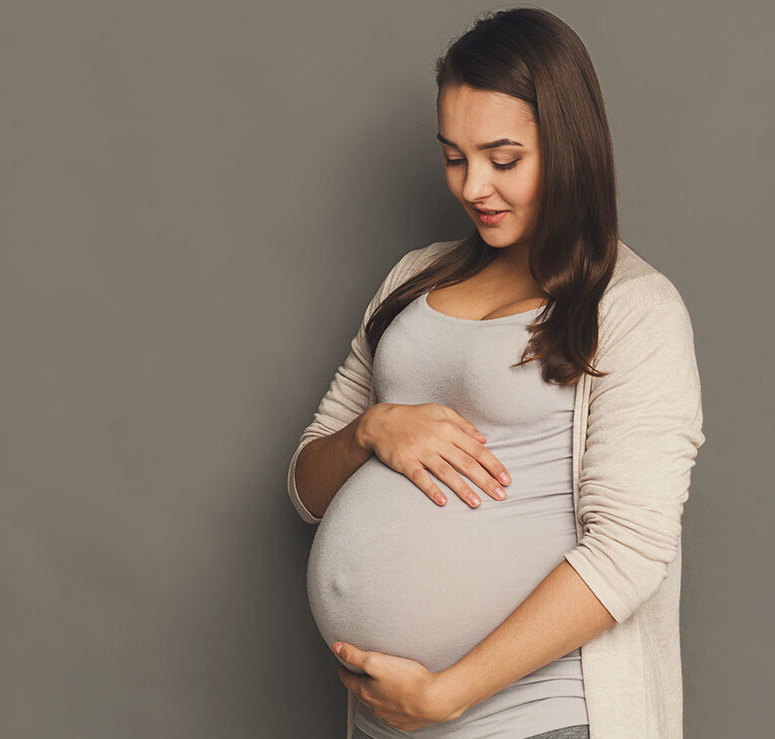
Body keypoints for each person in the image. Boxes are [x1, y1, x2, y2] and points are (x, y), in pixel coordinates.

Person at [286, 8, 705, 739]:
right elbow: (304, 490)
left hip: (537, 718)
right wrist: (371, 429)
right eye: (454, 156)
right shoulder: (410, 281)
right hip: (389, 719)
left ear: (568, 148)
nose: (474, 185)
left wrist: (449, 693)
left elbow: (627, 553)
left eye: (503, 158)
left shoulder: (635, 309)